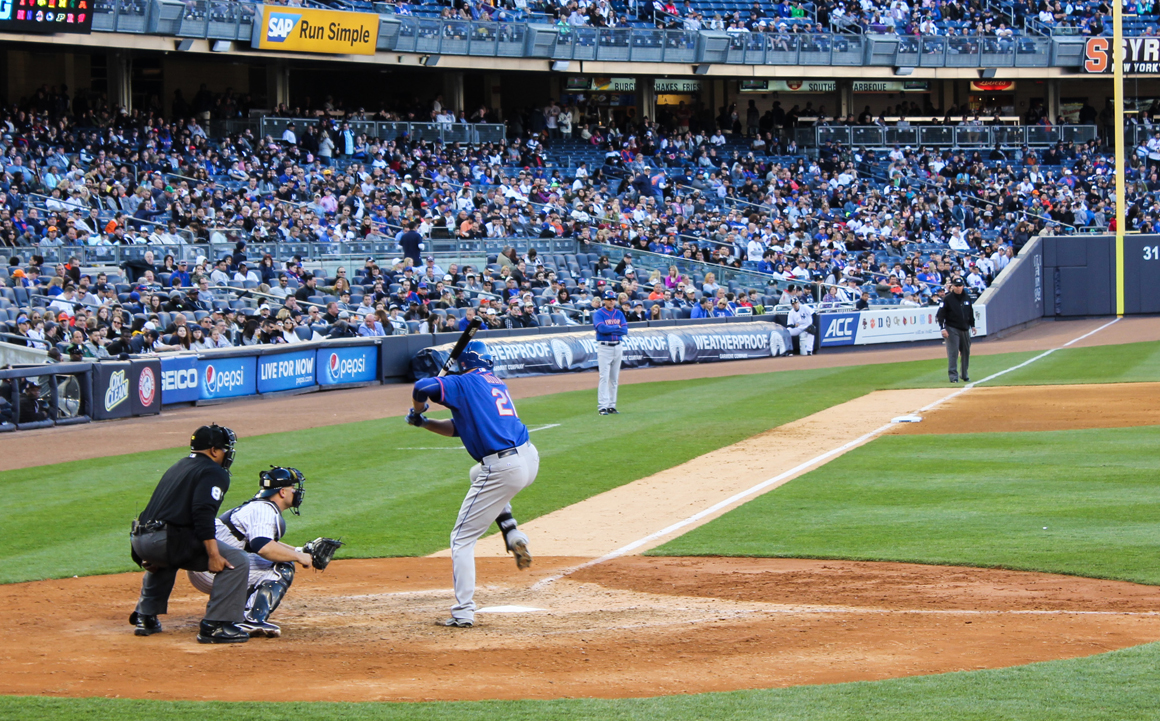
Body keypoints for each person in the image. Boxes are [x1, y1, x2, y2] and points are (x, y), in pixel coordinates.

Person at [406, 341, 536, 628]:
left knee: (460, 539)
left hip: (503, 466)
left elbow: (420, 387)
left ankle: (463, 611)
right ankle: (511, 531)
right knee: (476, 473)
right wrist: (424, 422)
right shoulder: (493, 382)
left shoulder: (463, 383)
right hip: (528, 458)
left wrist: (418, 408)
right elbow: (459, 428)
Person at [128, 425, 251, 644]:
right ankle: (216, 625)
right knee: (237, 560)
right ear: (214, 450)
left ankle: (145, 617)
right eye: (225, 449)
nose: (227, 454)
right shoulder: (214, 471)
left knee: (169, 556)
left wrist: (142, 554)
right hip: (166, 540)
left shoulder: (179, 466)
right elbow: (202, 513)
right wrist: (213, 554)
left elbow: (152, 509)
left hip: (141, 540)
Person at [187, 467, 315, 638]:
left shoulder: (257, 507)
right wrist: (298, 557)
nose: (296, 492)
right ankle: (250, 619)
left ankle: (231, 613)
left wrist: (299, 551)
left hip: (206, 565)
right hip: (216, 569)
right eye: (293, 488)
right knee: (282, 566)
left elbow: (266, 542)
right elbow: (264, 547)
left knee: (276, 559)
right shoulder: (264, 510)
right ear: (283, 492)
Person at [593, 289, 627, 415]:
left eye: (613, 299)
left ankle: (611, 405)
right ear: (604, 300)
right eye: (609, 299)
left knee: (614, 378)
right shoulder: (599, 313)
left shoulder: (619, 313)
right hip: (604, 347)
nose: (611, 301)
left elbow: (624, 330)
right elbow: (601, 328)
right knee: (604, 377)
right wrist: (615, 328)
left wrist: (610, 330)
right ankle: (602, 406)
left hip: (618, 346)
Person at [936, 276, 976, 383]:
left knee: (966, 352)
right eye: (956, 286)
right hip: (951, 328)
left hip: (965, 328)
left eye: (960, 286)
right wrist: (942, 328)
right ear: (952, 286)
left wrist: (973, 325)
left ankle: (964, 374)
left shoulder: (967, 298)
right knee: (953, 353)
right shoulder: (947, 299)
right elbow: (940, 315)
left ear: (963, 286)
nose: (958, 288)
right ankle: (953, 377)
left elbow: (970, 312)